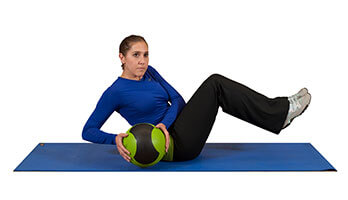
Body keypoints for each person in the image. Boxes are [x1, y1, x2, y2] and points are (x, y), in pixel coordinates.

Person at [82, 35, 311, 162]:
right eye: (136, 55)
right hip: (173, 146)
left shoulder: (150, 73)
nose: (143, 61)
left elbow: (178, 99)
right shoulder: (115, 92)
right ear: (122, 57)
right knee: (215, 83)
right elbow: (88, 130)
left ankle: (279, 113)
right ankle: (280, 113)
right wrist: (116, 139)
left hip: (176, 127)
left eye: (146, 54)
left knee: (216, 84)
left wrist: (163, 123)